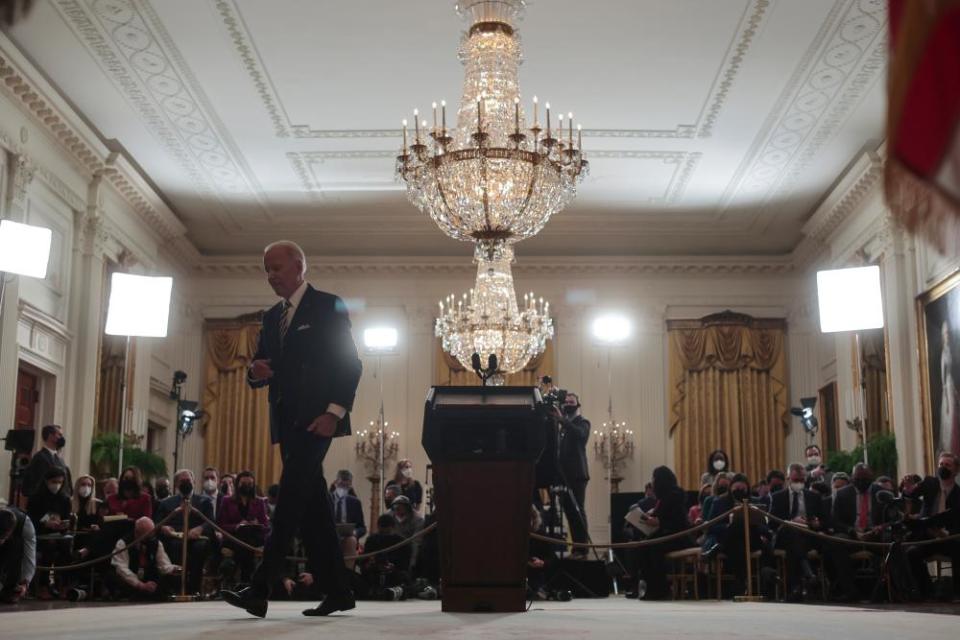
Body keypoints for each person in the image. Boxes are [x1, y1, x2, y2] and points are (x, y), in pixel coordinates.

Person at [223, 239, 363, 619]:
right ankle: (338, 590)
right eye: (266, 269)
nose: (271, 276)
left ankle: (260, 585)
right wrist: (254, 373)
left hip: (318, 421)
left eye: (276, 268)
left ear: (299, 266)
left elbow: (350, 364)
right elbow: (259, 367)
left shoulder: (328, 305)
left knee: (287, 503)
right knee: (313, 508)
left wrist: (334, 413)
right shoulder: (271, 317)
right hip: (286, 424)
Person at [704, 473, 774, 598]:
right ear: (731, 488)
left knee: (741, 526)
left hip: (751, 539)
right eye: (736, 488)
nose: (739, 491)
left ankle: (739, 583)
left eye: (743, 489)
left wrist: (752, 524)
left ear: (747, 489)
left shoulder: (756, 502)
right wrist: (728, 525)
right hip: (730, 539)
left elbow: (765, 527)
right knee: (738, 531)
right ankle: (743, 581)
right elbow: (711, 527)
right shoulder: (719, 502)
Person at [630, 466, 693, 600]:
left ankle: (660, 589)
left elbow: (675, 521)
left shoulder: (674, 495)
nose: (652, 482)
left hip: (678, 537)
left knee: (653, 547)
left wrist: (656, 521)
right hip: (668, 534)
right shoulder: (666, 496)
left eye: (654, 478)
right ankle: (651, 587)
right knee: (643, 546)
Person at [907, 452, 960, 599]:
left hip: (948, 538)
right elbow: (910, 495)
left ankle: (956, 593)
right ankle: (927, 591)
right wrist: (908, 488)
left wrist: (945, 534)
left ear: (956, 470)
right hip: (927, 535)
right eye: (941, 464)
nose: (943, 467)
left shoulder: (958, 494)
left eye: (947, 465)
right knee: (912, 552)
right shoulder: (929, 484)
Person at [769, 463, 825, 601]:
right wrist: (792, 521)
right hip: (784, 536)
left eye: (801, 480)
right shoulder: (778, 497)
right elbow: (772, 523)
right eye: (795, 480)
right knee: (792, 532)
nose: (798, 483)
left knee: (794, 546)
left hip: (808, 536)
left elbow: (825, 521)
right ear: (788, 479)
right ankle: (809, 574)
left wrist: (816, 523)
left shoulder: (813, 497)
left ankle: (795, 588)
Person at [155, 469, 215, 595]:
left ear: (193, 481)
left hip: (198, 538)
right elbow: (157, 523)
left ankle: (194, 589)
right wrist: (163, 528)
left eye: (188, 480)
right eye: (182, 481)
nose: (186, 482)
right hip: (175, 538)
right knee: (175, 546)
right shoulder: (166, 503)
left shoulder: (205, 502)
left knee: (199, 548)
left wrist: (200, 528)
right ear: (176, 484)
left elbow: (211, 522)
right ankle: (177, 587)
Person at [217, 470, 269, 585]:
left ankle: (238, 582)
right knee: (243, 536)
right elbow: (221, 524)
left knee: (247, 537)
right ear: (237, 484)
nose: (247, 487)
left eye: (250, 484)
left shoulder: (259, 502)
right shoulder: (227, 501)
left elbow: (266, 526)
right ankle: (245, 580)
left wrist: (256, 524)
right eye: (244, 484)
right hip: (233, 537)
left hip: (254, 537)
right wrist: (237, 526)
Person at [110, 516, 180, 600]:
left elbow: (164, 565)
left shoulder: (155, 543)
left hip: (149, 578)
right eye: (148, 535)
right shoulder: (123, 543)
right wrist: (140, 585)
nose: (151, 538)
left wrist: (174, 569)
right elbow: (122, 569)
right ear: (137, 533)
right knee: (113, 577)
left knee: (167, 580)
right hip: (131, 580)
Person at [556, 392, 591, 557]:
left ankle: (582, 547)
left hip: (577, 475)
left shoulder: (583, 422)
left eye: (572, 401)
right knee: (569, 512)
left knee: (578, 511)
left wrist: (562, 419)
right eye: (567, 402)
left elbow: (581, 435)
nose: (569, 403)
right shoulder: (563, 426)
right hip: (563, 477)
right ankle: (576, 547)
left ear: (578, 405)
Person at [360, 514, 410, 601]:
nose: (384, 535)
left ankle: (393, 591)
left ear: (393, 527)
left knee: (404, 578)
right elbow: (364, 562)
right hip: (374, 573)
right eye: (382, 532)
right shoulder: (371, 540)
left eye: (387, 532)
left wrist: (392, 566)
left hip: (394, 573)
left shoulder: (401, 541)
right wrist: (370, 564)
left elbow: (405, 564)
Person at [21, 424, 72, 498]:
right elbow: (37, 483)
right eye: (59, 435)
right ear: (50, 436)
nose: (62, 438)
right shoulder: (40, 457)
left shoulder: (59, 459)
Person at [331, 470, 366, 570]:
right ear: (336, 482)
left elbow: (362, 527)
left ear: (350, 485)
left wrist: (355, 532)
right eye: (342, 483)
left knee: (351, 540)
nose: (343, 487)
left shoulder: (355, 502)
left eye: (347, 484)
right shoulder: (327, 499)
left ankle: (347, 574)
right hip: (329, 534)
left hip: (348, 537)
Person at [0, 506, 36, 604]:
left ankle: (10, 588)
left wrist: (25, 582)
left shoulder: (25, 524)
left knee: (17, 545)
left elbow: (30, 555)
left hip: (15, 546)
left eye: (4, 536)